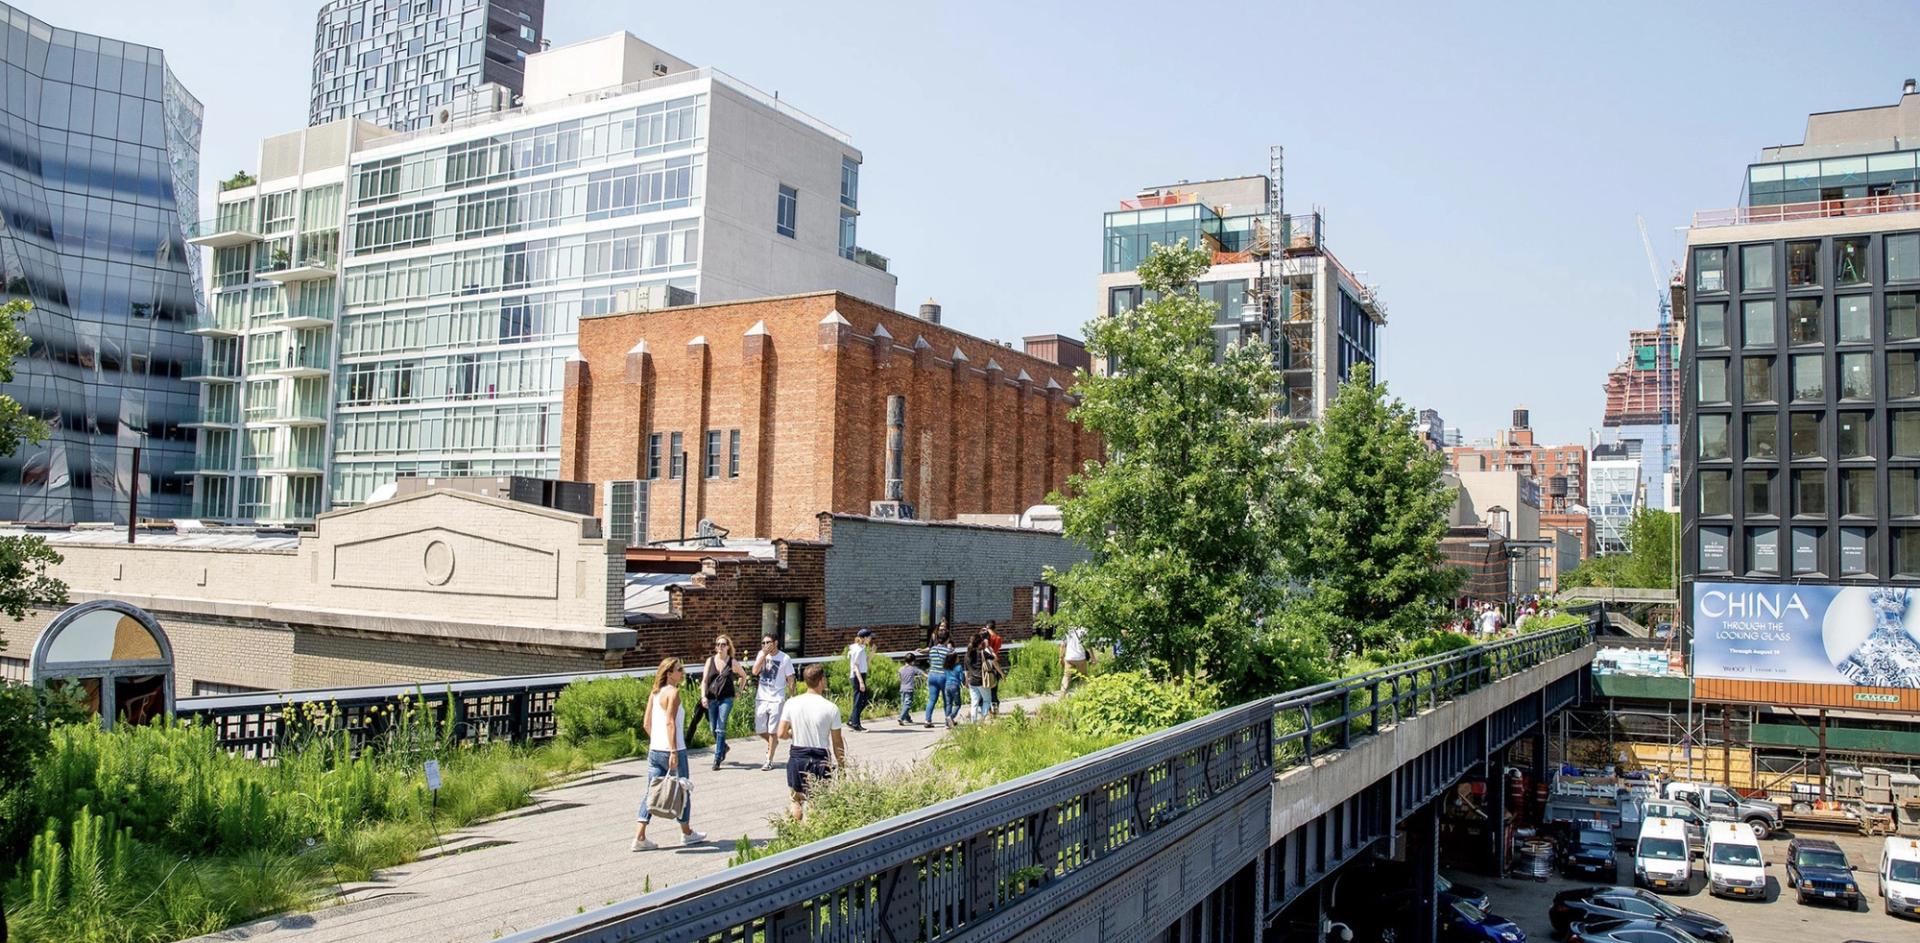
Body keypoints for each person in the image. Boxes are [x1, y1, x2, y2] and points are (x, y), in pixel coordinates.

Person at [632, 658, 705, 850]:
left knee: (651, 791)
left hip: (655, 750)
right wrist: (672, 749)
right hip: (674, 750)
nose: (682, 672)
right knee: (683, 789)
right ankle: (687, 833)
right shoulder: (673, 693)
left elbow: (646, 723)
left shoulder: (655, 693)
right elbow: (670, 722)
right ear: (669, 673)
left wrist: (658, 740)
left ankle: (639, 837)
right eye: (679, 669)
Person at [777, 664, 846, 822]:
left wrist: (792, 733)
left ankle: (795, 830)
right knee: (817, 801)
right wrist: (842, 765)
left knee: (796, 799)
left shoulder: (792, 703)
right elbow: (837, 741)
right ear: (821, 681)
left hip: (797, 756)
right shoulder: (831, 708)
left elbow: (781, 733)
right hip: (820, 758)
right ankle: (813, 831)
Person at [699, 635, 749, 769]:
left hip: (726, 698)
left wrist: (739, 690)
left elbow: (743, 676)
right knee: (712, 728)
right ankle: (724, 747)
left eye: (723, 644)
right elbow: (704, 681)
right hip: (712, 698)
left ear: (728, 647)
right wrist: (703, 697)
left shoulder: (732, 662)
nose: (720, 647)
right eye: (718, 644)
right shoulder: (710, 661)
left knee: (720, 727)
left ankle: (717, 758)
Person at [752, 634, 796, 771]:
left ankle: (769, 760)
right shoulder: (761, 654)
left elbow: (790, 678)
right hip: (762, 697)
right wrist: (763, 656)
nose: (765, 645)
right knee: (760, 729)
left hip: (777, 698)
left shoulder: (785, 658)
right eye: (763, 643)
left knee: (772, 730)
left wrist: (792, 696)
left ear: (775, 643)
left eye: (768, 642)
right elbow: (754, 671)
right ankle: (774, 742)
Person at [923, 624, 955, 728]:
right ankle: (948, 721)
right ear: (946, 640)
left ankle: (927, 720)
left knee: (932, 699)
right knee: (947, 700)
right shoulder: (948, 651)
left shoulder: (932, 649)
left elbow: (930, 660)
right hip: (943, 676)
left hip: (932, 675)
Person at [964, 629, 995, 722]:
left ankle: (973, 722)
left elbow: (966, 670)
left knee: (974, 702)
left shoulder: (967, 655)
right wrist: (988, 647)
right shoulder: (982, 653)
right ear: (979, 643)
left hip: (972, 681)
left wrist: (966, 681)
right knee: (987, 700)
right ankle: (982, 720)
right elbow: (994, 658)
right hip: (982, 681)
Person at [846, 628, 874, 731]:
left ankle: (852, 720)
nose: (870, 639)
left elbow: (865, 663)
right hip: (858, 676)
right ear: (864, 638)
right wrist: (861, 682)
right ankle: (855, 724)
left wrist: (872, 652)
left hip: (860, 675)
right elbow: (856, 666)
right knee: (859, 701)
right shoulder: (858, 650)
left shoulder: (860, 648)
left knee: (863, 700)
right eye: (869, 637)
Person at [982, 621, 1004, 716]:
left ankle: (988, 710)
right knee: (994, 688)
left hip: (984, 664)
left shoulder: (985, 637)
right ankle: (995, 708)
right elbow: (996, 650)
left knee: (985, 689)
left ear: (987, 627)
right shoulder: (998, 638)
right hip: (994, 663)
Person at [1061, 624, 1091, 694]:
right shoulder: (1084, 629)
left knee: (1066, 677)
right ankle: (1082, 695)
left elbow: (1062, 645)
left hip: (1069, 657)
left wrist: (1061, 657)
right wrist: (1093, 657)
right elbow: (1087, 645)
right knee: (1083, 676)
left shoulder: (1067, 629)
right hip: (1080, 657)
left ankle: (1062, 696)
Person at [897, 652, 925, 724]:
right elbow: (922, 673)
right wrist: (929, 677)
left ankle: (908, 719)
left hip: (902, 689)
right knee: (907, 704)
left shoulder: (900, 669)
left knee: (904, 704)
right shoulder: (913, 669)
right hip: (909, 689)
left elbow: (899, 679)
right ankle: (901, 718)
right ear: (913, 661)